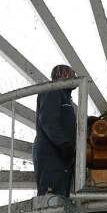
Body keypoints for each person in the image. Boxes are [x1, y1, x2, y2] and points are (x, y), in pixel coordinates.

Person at [34, 64, 77, 197]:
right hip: (51, 152)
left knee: (60, 195)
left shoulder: (64, 97)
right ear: (65, 74)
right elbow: (48, 119)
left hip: (60, 154)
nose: (75, 78)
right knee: (52, 195)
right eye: (73, 74)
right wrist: (63, 144)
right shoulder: (52, 90)